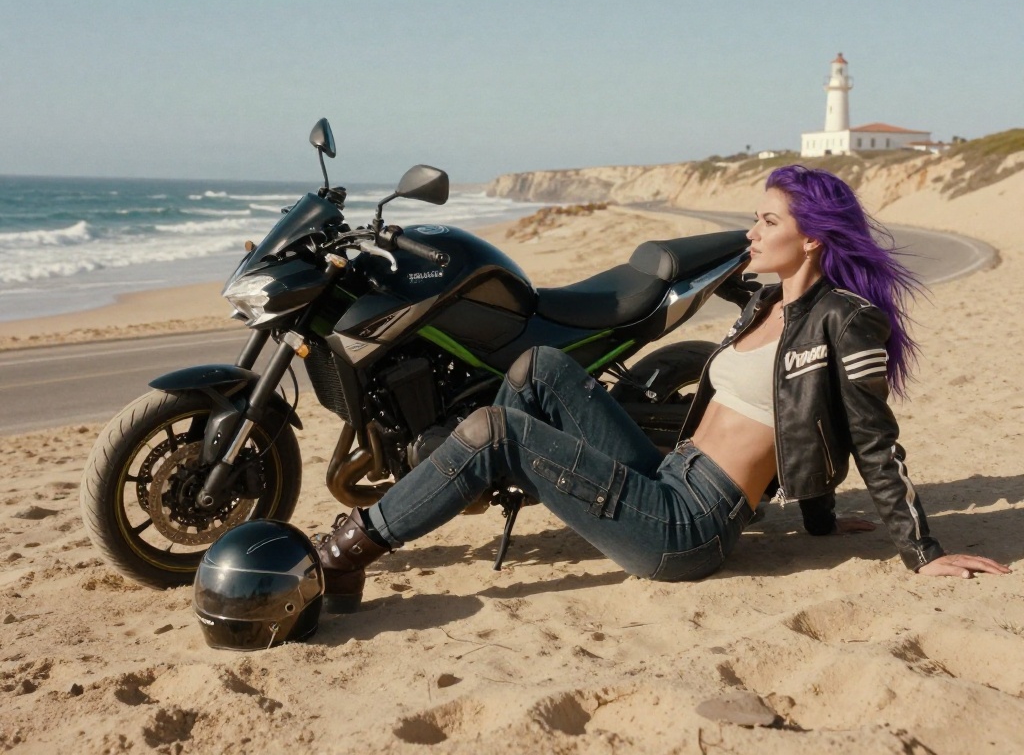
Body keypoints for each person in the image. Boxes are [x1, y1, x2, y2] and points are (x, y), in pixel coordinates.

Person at [313, 165, 1010, 611]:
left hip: (690, 527)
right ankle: (469, 473)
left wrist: (924, 553)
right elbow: (802, 418)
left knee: (499, 430)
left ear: (814, 239)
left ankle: (349, 553)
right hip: (668, 473)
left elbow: (867, 434)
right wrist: (823, 519)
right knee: (538, 369)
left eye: (769, 221)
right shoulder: (765, 304)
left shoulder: (846, 320)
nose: (751, 230)